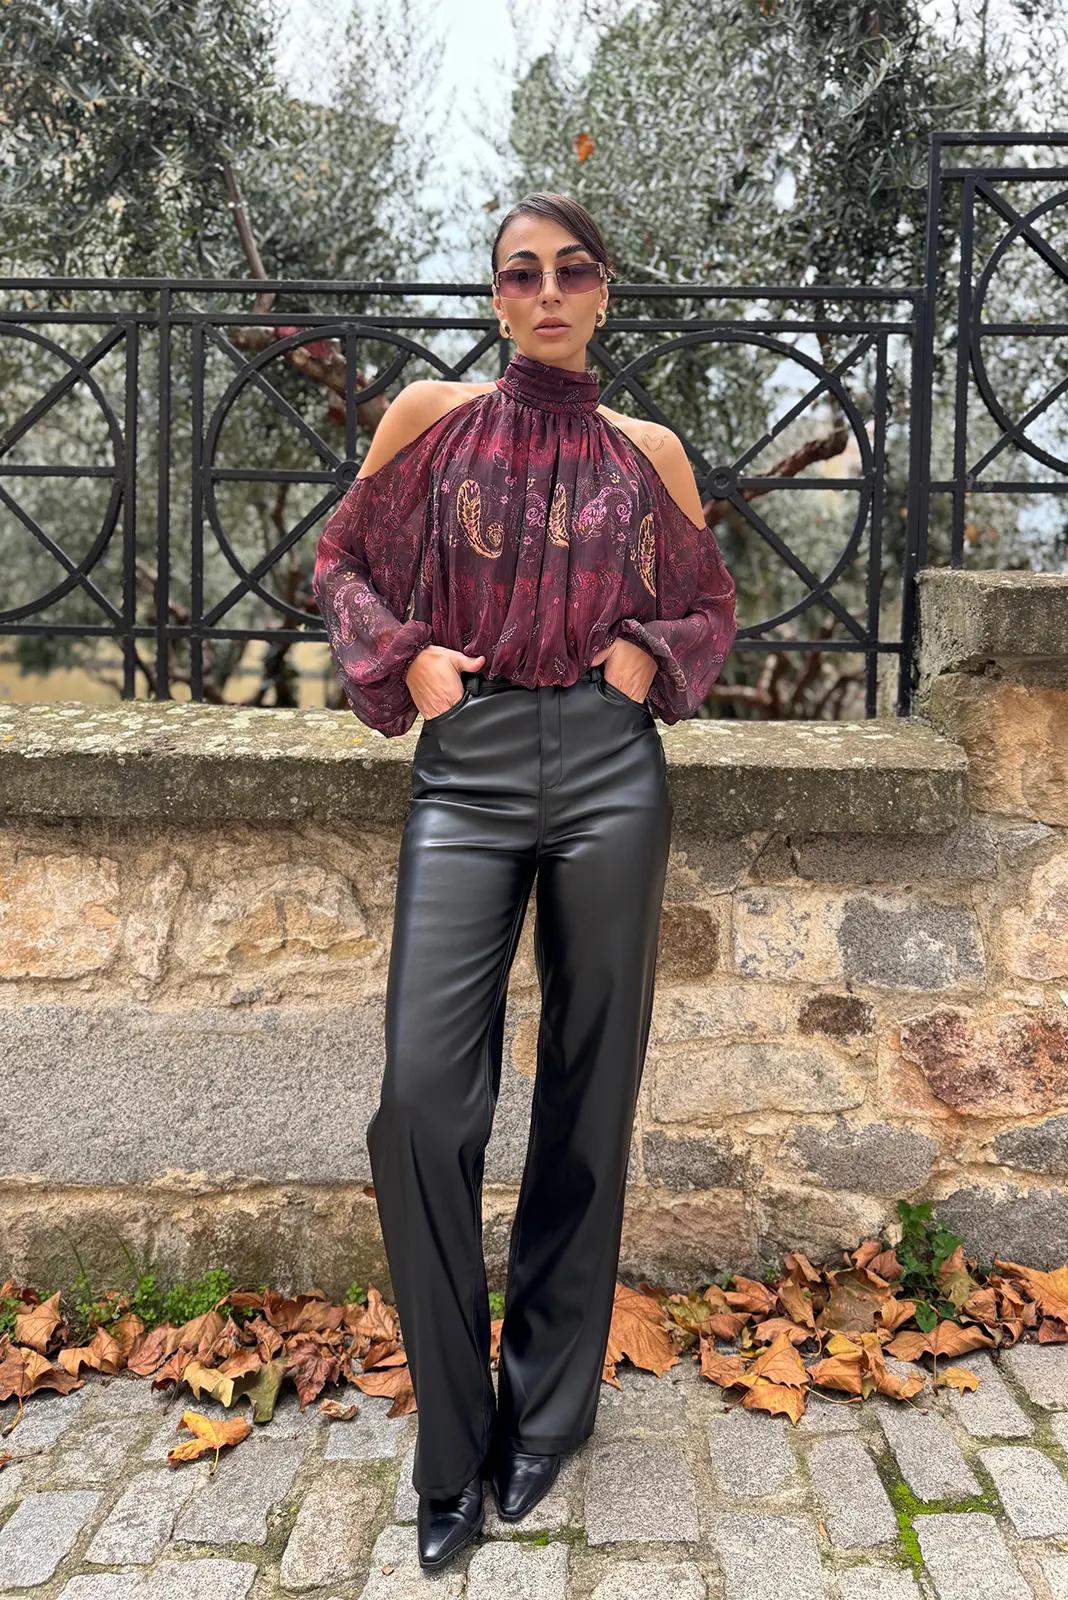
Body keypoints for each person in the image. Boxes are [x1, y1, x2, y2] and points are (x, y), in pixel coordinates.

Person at [313, 191, 736, 1571]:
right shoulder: (430, 422)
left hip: (611, 772)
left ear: (605, 291)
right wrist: (408, 661)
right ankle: (455, 1442)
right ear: (494, 295)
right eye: (520, 273)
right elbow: (341, 561)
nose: (547, 293)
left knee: (588, 1090)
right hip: (471, 770)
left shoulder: (647, 452)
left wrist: (647, 657)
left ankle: (548, 1408)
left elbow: (710, 604)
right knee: (419, 1104)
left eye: (573, 270)